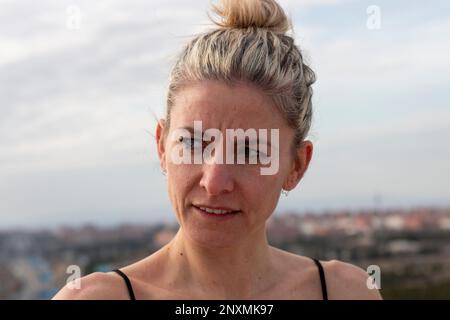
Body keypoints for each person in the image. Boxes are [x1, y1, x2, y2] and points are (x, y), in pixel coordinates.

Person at [53, 0, 382, 300]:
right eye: (193, 143)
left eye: (250, 151)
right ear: (162, 146)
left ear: (296, 166)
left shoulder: (347, 293)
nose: (214, 180)